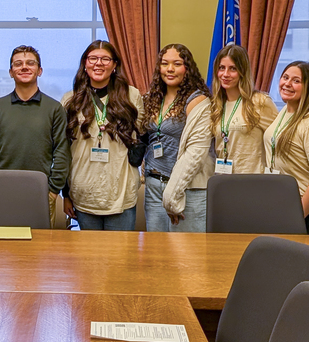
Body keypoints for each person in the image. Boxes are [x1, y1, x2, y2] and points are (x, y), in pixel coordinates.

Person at [0, 45, 70, 225]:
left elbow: (62, 152)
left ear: (40, 70)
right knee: (1, 248)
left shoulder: (54, 109)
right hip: (0, 193)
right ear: (11, 72)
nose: (24, 67)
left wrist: (52, 190)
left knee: (39, 250)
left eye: (30, 63)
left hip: (40, 193)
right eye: (18, 64)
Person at [61, 41, 144, 231]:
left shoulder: (131, 96)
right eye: (93, 58)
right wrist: (66, 193)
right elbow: (64, 149)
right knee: (89, 258)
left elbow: (141, 136)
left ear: (114, 65)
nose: (99, 63)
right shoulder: (70, 99)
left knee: (120, 258)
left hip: (119, 191)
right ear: (85, 63)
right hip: (84, 191)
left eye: (105, 59)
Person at [262, 61, 309, 234]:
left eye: (296, 81)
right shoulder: (285, 112)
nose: (287, 84)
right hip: (285, 205)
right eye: (285, 77)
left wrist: (296, 216)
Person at [142, 44, 210, 232]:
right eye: (164, 64)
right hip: (154, 185)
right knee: (157, 255)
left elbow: (196, 153)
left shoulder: (198, 101)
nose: (169, 69)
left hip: (186, 189)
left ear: (187, 68)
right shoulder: (152, 98)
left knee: (185, 256)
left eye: (177, 64)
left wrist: (173, 194)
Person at [209, 44, 278, 175]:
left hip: (252, 181)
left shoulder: (259, 101)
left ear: (242, 72)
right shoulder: (216, 105)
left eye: (232, 69)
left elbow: (280, 141)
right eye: (221, 68)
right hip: (224, 181)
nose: (225, 74)